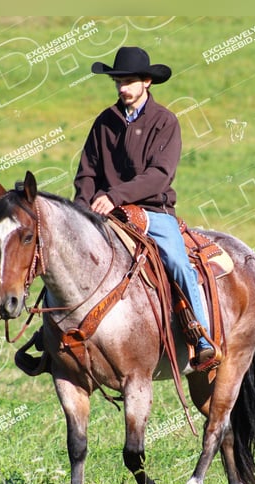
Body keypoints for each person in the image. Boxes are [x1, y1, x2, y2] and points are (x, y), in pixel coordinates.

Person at [73, 46, 218, 370]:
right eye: (118, 82)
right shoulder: (104, 122)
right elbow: (86, 171)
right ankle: (50, 337)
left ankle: (201, 337)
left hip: (153, 211)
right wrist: (81, 209)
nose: (122, 88)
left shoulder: (165, 122)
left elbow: (158, 175)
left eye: (129, 81)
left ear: (147, 82)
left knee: (178, 263)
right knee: (64, 256)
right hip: (102, 211)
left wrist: (115, 195)